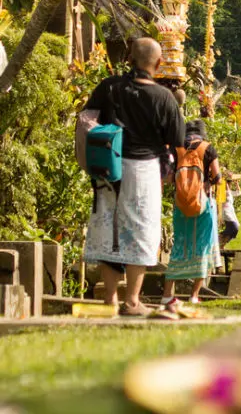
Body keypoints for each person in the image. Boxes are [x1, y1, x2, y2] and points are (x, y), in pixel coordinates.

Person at [83, 37, 185, 316]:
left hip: (109, 167)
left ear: (129, 58)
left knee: (110, 229)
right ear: (159, 63)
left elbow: (86, 119)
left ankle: (110, 301)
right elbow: (177, 142)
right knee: (141, 231)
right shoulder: (164, 97)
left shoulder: (109, 87)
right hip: (144, 171)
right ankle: (132, 301)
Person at [162, 120, 221, 308]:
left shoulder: (177, 149)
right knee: (203, 246)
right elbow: (217, 177)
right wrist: (207, 183)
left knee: (180, 245)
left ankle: (166, 294)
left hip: (181, 205)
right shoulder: (208, 148)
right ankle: (194, 295)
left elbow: (169, 177)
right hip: (203, 204)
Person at [219, 172, 241, 249]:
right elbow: (226, 189)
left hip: (231, 211)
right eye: (228, 183)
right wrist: (226, 176)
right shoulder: (223, 192)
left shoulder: (229, 192)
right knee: (234, 227)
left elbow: (239, 192)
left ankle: (222, 244)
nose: (229, 185)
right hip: (226, 212)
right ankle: (218, 238)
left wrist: (236, 183)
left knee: (236, 229)